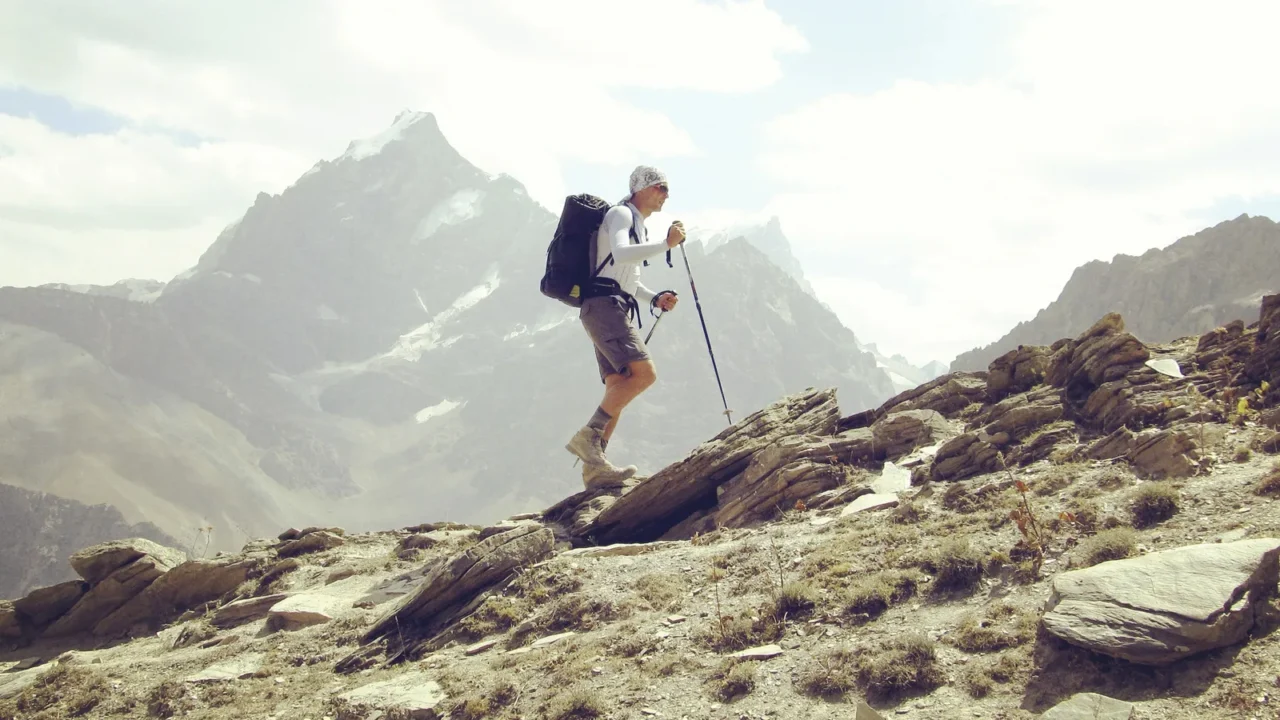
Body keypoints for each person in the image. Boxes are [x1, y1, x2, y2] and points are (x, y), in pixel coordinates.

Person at [565, 165, 686, 487]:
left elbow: (625, 277)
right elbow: (620, 253)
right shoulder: (621, 214)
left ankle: (595, 468)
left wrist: (653, 298)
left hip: (606, 304)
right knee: (644, 375)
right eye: (661, 187)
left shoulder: (637, 223)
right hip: (605, 306)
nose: (666, 195)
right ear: (643, 188)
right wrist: (666, 244)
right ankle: (588, 437)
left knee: (620, 383)